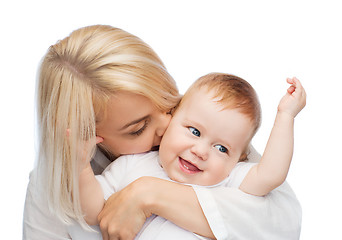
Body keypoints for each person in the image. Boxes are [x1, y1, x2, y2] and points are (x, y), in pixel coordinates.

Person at [23, 25, 302, 240]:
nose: (168, 125)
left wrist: (148, 194)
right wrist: (80, 167)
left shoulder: (208, 132)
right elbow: (91, 211)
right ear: (90, 136)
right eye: (139, 128)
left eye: (169, 102)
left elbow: (281, 219)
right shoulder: (57, 181)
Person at [77, 73, 306, 239]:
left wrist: (286, 116)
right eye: (194, 132)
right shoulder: (132, 164)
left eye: (222, 148)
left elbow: (272, 174)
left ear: (240, 158)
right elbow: (93, 212)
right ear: (172, 118)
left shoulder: (229, 180)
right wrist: (80, 167)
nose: (201, 151)